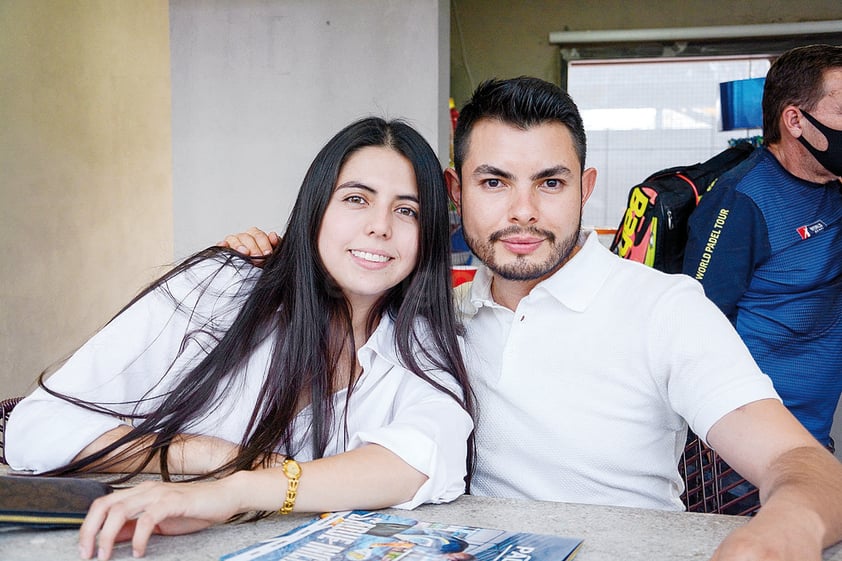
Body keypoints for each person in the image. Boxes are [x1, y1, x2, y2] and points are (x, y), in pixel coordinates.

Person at [226, 77, 842, 561]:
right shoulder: (440, 312)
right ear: (456, 191)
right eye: (494, 182)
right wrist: (281, 262)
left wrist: (784, 532)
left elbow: (802, 463)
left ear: (586, 188)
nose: (524, 213)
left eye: (550, 183)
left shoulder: (664, 308)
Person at [5, 117, 475, 561]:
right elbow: (34, 430)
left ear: (428, 234)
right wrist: (218, 457)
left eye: (407, 210)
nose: (380, 226)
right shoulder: (219, 288)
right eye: (356, 198)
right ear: (316, 210)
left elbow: (425, 458)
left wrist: (230, 490)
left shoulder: (419, 345)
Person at [683, 44, 842, 452]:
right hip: (747, 447)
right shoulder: (742, 199)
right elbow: (695, 325)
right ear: (795, 120)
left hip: (813, 432)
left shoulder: (833, 186)